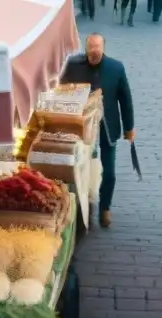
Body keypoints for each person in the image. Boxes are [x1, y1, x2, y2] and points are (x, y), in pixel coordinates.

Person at [61, 34, 135, 227]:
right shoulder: (73, 65)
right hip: (80, 127)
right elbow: (62, 90)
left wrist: (129, 127)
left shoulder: (116, 68)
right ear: (85, 48)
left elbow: (125, 99)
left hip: (107, 126)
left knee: (109, 172)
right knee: (80, 168)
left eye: (97, 47)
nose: (94, 50)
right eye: (90, 47)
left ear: (103, 47)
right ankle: (81, 206)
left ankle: (105, 208)